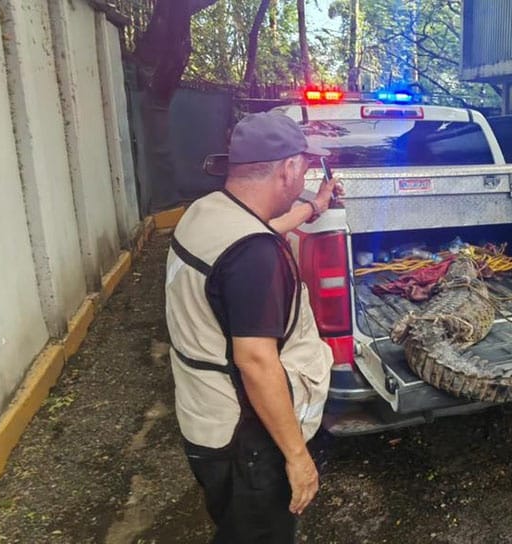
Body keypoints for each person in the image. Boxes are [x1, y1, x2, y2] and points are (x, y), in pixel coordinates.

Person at [164, 111, 343, 542]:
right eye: (304, 167)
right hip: (244, 439)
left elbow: (257, 231)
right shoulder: (254, 256)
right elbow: (257, 363)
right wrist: (298, 457)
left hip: (205, 421)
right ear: (287, 169)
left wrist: (314, 206)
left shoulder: (207, 212)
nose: (304, 177)